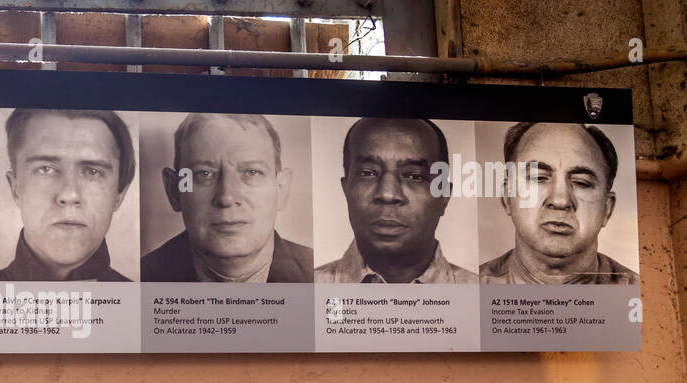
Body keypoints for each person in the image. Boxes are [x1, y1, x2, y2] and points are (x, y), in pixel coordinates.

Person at [142, 113, 313, 282]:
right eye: (204, 173)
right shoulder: (142, 277)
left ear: (281, 189)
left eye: (252, 172)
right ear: (174, 190)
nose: (226, 198)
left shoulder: (315, 274)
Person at [315, 117, 475, 284]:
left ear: (444, 196)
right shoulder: (308, 286)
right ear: (345, 189)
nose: (388, 194)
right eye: (368, 173)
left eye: (414, 176)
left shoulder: (479, 290)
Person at [0, 108, 135, 282]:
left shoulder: (140, 303)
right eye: (46, 169)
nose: (69, 195)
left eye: (93, 172)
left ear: (120, 194)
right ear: (15, 188)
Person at [480, 121, 637, 284]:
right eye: (538, 178)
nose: (560, 201)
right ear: (507, 198)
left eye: (581, 182)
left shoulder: (638, 292)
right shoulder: (474, 285)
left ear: (607, 209)